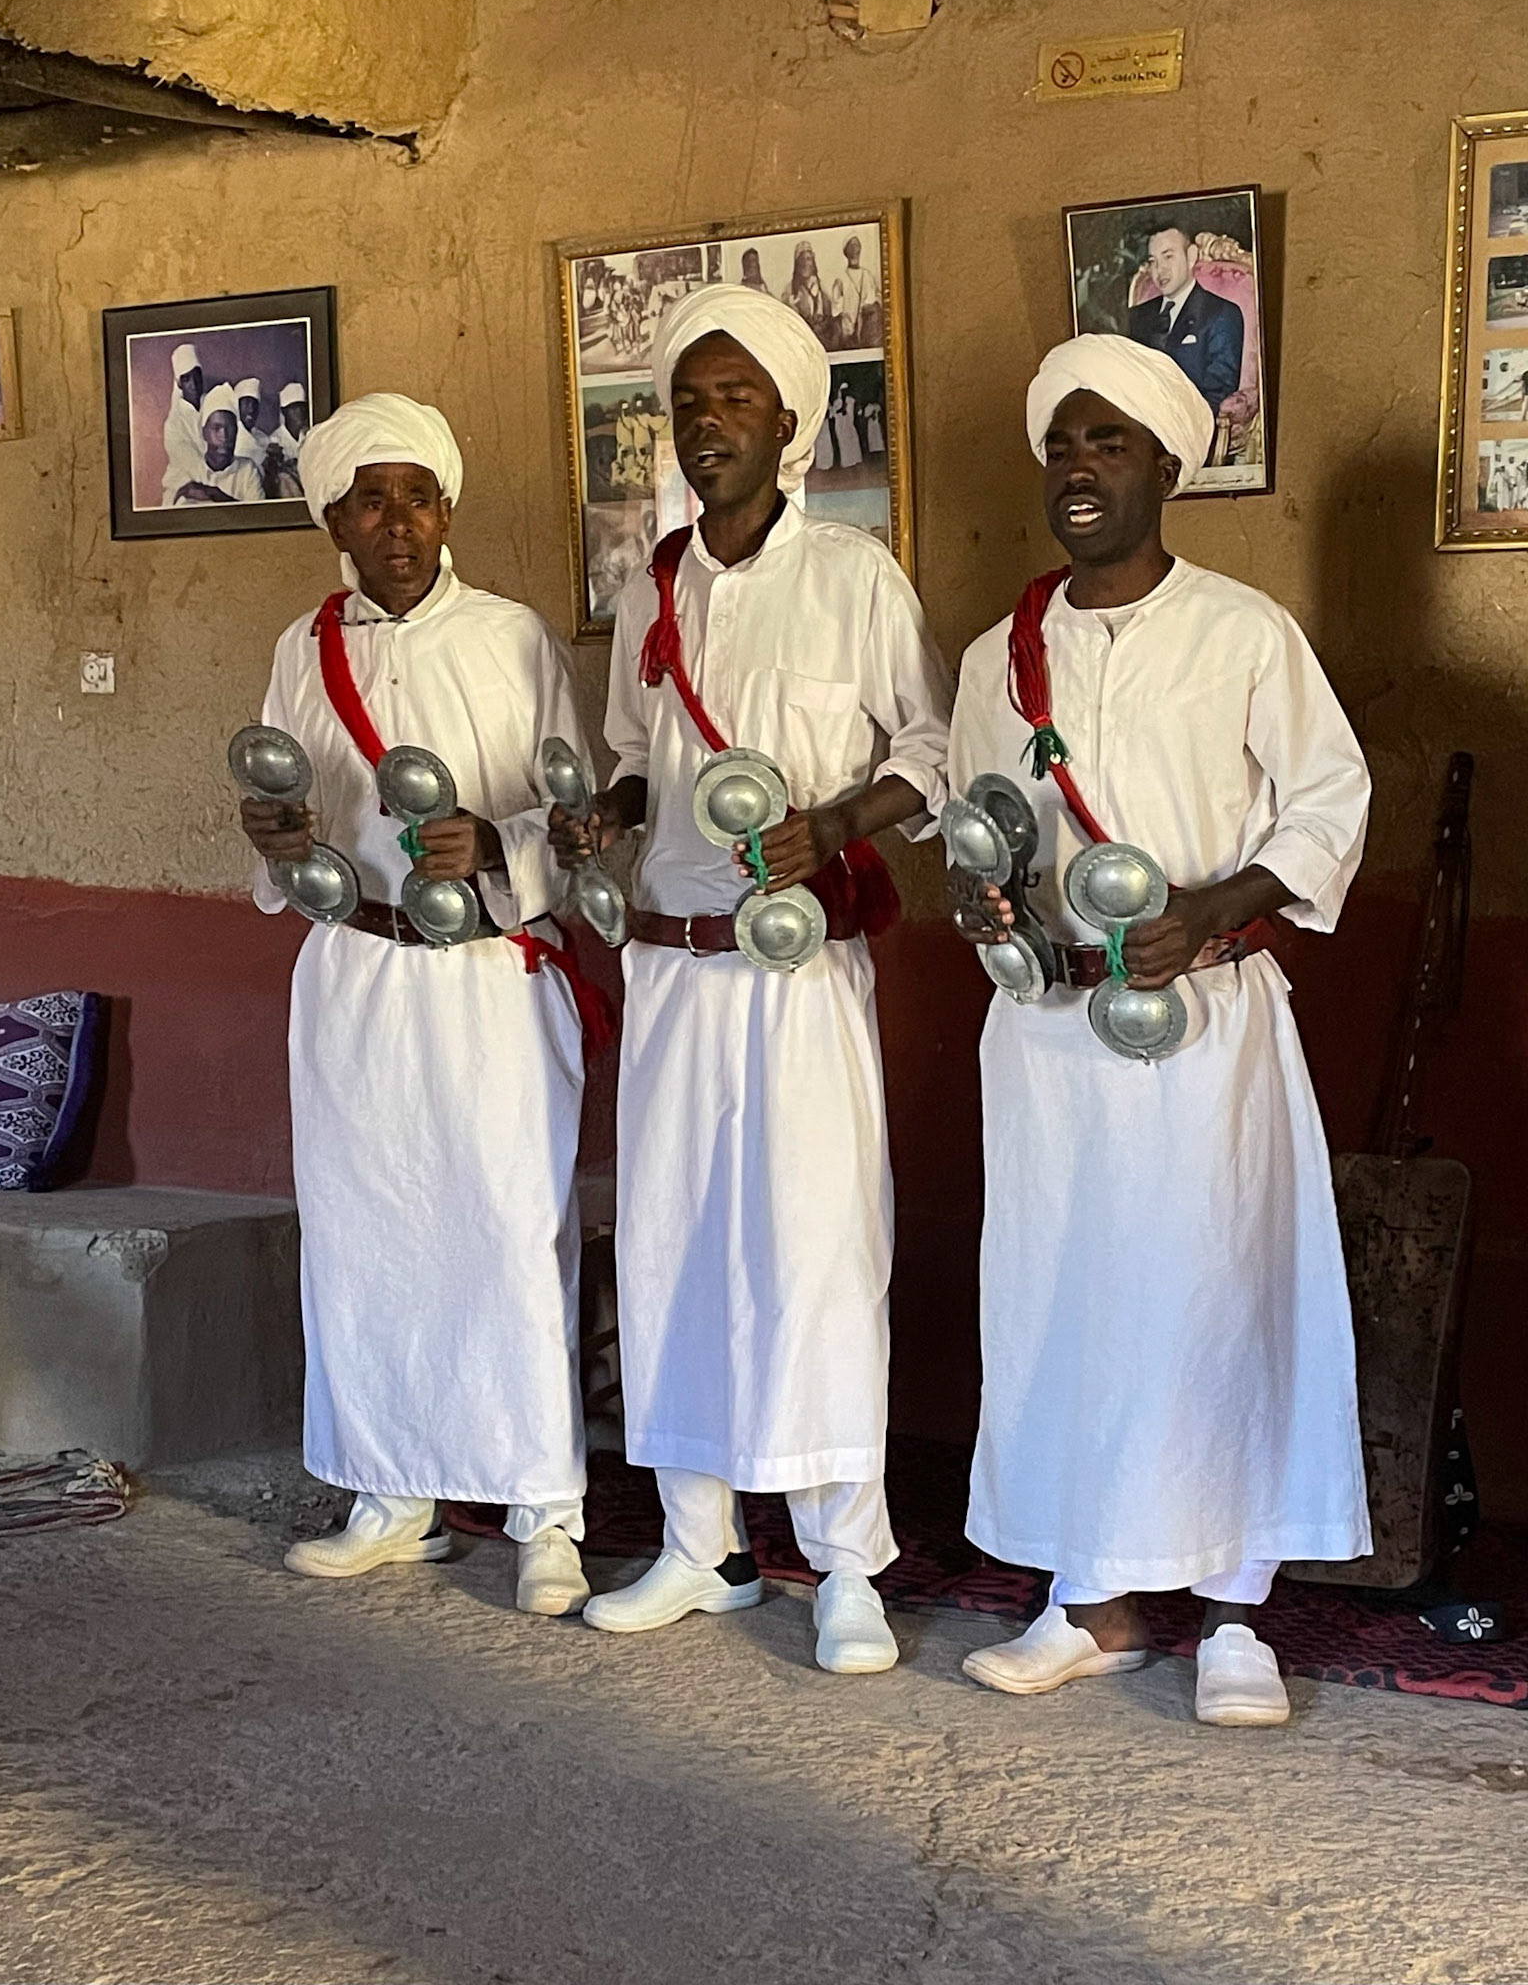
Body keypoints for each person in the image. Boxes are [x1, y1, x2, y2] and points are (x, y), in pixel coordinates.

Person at [949, 334, 1372, 1727]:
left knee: (1216, 1295)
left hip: (1205, 1025)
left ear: (1168, 468)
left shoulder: (1245, 633)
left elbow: (1327, 805)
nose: (1078, 468)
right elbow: (976, 833)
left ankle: (1237, 1613)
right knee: (1064, 1298)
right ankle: (1094, 1599)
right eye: (1062, 445)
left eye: (1108, 444)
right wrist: (983, 895)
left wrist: (1220, 903)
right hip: (1050, 1033)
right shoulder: (996, 661)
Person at [551, 285, 950, 1674]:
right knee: (673, 1244)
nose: (707, 423)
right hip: (671, 972)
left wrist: (832, 825)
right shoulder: (648, 582)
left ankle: (849, 1561)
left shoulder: (856, 579)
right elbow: (630, 753)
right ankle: (696, 1540)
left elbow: (935, 750)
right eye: (689, 403)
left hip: (798, 979)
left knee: (818, 1244)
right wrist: (603, 813)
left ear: (791, 426)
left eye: (736, 401)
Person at [239, 392, 600, 1616]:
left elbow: (583, 813)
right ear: (333, 515)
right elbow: (289, 806)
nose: (397, 521)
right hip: (355, 970)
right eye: (370, 498)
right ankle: (392, 1494)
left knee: (508, 1227)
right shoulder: (304, 648)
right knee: (366, 1226)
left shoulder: (511, 635)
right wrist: (275, 833)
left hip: (486, 975)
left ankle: (545, 1506)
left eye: (418, 495)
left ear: (448, 509)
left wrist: (496, 838)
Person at [1126, 224, 1244, 417]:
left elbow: (1218, 390)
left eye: (1168, 256)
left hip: (1186, 426)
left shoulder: (1222, 313)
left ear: (1191, 256)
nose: (1159, 270)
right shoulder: (1137, 316)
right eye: (1153, 261)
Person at [168, 383, 266, 504]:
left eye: (230, 428)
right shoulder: (189, 471)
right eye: (216, 428)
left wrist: (215, 495)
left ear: (236, 432)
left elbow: (258, 516)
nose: (224, 436)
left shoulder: (247, 470)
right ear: (204, 433)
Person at [160, 341, 207, 500]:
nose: (194, 384)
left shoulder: (214, 405)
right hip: (183, 492)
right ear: (179, 383)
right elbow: (197, 470)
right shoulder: (173, 424)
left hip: (217, 484)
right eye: (187, 379)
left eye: (196, 375)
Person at [830, 235, 882, 349]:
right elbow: (836, 311)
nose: (854, 249)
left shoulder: (867, 275)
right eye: (851, 246)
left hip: (868, 331)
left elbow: (878, 299)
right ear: (846, 251)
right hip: (848, 334)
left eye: (857, 245)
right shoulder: (840, 279)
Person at [266, 380, 310, 498]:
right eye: (294, 408)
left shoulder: (311, 434)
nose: (300, 412)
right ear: (284, 412)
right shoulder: (275, 440)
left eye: (302, 407)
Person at [783, 240, 830, 342]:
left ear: (813, 262)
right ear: (797, 263)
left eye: (808, 259)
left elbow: (829, 316)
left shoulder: (822, 288)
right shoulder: (789, 290)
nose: (805, 264)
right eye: (802, 259)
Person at [235, 377, 273, 471]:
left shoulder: (261, 436)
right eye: (247, 403)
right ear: (237, 406)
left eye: (254, 404)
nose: (251, 409)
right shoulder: (233, 436)